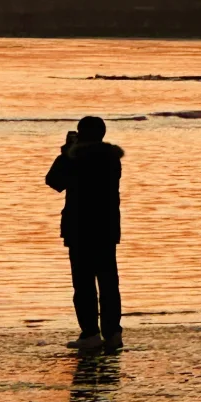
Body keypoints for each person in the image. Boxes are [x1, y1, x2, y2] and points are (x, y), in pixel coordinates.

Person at [45, 116, 124, 351]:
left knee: (84, 284)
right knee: (108, 282)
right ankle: (112, 332)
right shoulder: (111, 158)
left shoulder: (76, 158)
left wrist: (66, 153)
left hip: (80, 227)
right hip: (107, 227)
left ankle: (90, 332)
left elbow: (54, 181)